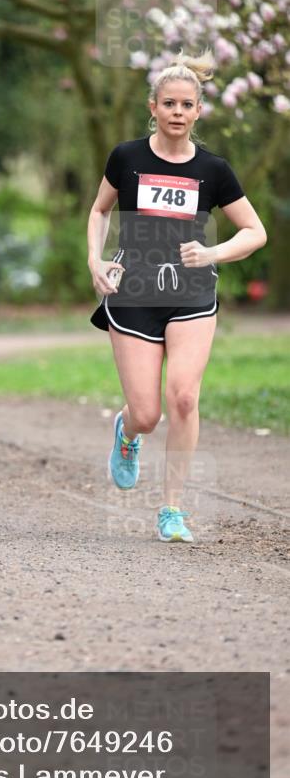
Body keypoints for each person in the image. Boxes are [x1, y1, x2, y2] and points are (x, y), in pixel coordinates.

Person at [87, 51, 267, 543]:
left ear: (198, 111)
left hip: (191, 293)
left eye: (186, 104)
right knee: (147, 413)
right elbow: (99, 212)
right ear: (154, 106)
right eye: (169, 103)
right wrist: (94, 260)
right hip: (134, 291)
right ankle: (127, 435)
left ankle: (172, 510)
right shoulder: (127, 157)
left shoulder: (213, 169)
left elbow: (254, 232)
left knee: (185, 396)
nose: (177, 112)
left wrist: (212, 253)